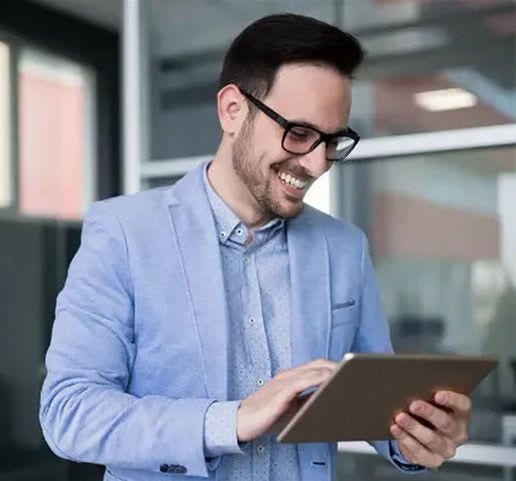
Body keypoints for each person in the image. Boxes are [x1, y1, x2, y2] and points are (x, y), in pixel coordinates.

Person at [39, 13, 471, 481]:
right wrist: (231, 419)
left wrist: (417, 438)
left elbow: (373, 403)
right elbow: (70, 412)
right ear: (232, 110)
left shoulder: (345, 248)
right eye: (299, 133)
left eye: (331, 141)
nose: (315, 163)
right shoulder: (123, 232)